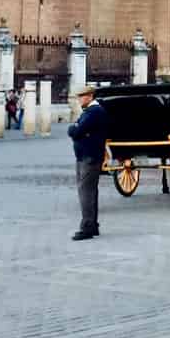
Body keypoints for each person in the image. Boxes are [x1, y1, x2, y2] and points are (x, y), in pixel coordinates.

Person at [68, 85, 109, 241]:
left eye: (81, 96)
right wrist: (76, 129)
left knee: (85, 192)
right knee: (90, 191)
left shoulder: (94, 112)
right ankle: (93, 225)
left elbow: (76, 130)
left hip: (89, 157)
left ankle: (87, 227)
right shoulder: (90, 112)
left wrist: (74, 129)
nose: (79, 99)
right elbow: (78, 129)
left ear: (90, 96)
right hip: (85, 156)